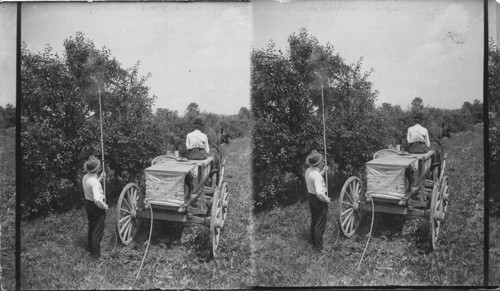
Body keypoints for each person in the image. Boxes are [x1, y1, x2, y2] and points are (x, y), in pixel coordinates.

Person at [305, 150, 331, 251]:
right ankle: (319, 248)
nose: (323, 162)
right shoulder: (317, 175)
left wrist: (323, 171)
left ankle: (313, 241)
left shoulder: (309, 171)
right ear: (318, 163)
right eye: (322, 161)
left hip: (311, 197)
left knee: (314, 220)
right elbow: (320, 192)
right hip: (318, 199)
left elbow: (315, 177)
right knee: (320, 223)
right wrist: (326, 199)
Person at [82, 156, 108, 259]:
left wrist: (101, 177)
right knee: (97, 230)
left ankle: (90, 248)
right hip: (96, 206)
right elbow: (97, 199)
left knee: (92, 227)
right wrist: (104, 206)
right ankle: (96, 255)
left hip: (88, 204)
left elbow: (92, 183)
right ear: (96, 169)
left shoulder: (86, 177)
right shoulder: (95, 182)